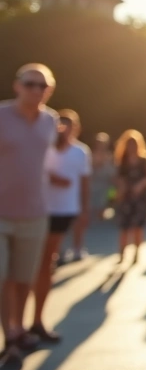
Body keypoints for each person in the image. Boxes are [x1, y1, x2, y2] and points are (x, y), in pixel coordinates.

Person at [0, 64, 58, 365]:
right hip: (1, 212)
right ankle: (8, 334)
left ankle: (19, 327)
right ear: (17, 86)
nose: (36, 90)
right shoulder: (2, 116)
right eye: (30, 84)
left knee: (24, 277)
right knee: (2, 275)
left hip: (35, 211)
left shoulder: (51, 120)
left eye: (42, 86)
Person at [30, 109, 91, 344]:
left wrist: (84, 210)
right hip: (36, 209)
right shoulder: (44, 147)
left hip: (63, 210)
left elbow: (84, 181)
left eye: (68, 126)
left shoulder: (80, 152)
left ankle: (37, 319)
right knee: (29, 265)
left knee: (45, 261)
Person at [69, 132, 115, 263]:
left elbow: (112, 176)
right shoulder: (88, 154)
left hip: (103, 190)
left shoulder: (110, 157)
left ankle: (81, 245)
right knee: (82, 218)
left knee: (96, 215)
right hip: (89, 188)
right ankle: (77, 246)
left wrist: (112, 196)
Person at [114, 129, 146, 265]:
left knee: (138, 227)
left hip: (140, 198)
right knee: (124, 227)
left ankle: (136, 252)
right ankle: (122, 253)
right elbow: (118, 178)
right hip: (126, 197)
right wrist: (121, 188)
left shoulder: (144, 160)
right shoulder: (123, 161)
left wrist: (141, 185)